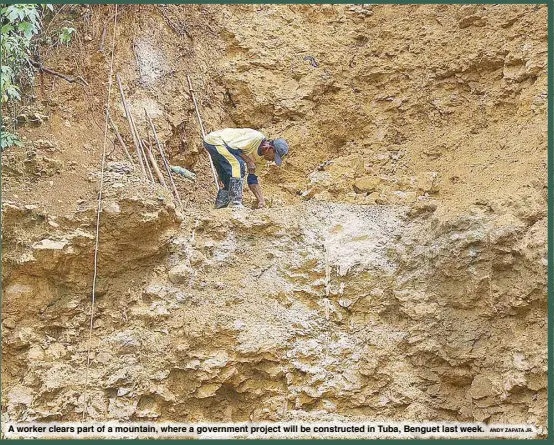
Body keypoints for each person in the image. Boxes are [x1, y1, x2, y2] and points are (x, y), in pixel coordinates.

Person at [203, 128, 289, 208]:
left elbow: (252, 179)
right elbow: (231, 147)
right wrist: (248, 161)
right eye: (274, 157)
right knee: (238, 164)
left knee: (230, 176)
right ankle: (235, 202)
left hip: (220, 147)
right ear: (270, 148)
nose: (272, 160)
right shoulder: (256, 138)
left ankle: (221, 204)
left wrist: (261, 201)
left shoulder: (263, 160)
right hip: (215, 141)